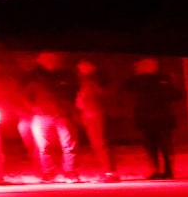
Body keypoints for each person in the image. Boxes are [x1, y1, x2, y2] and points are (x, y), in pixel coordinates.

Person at [20, 52, 80, 183]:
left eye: (52, 60)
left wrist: (67, 106)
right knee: (44, 146)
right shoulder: (34, 78)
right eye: (46, 60)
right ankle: (49, 172)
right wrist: (33, 108)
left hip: (62, 114)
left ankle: (70, 172)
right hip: (42, 115)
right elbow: (25, 96)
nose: (50, 62)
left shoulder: (64, 76)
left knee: (68, 145)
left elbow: (73, 91)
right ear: (41, 62)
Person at [128, 58, 182, 180]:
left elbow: (176, 95)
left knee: (158, 146)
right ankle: (164, 170)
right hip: (159, 118)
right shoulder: (162, 79)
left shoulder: (146, 81)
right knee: (159, 146)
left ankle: (161, 170)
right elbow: (176, 95)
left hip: (156, 118)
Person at [73, 58, 120, 183]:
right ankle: (109, 172)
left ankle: (110, 173)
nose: (80, 70)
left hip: (94, 115)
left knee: (100, 144)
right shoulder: (93, 82)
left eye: (82, 67)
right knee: (99, 144)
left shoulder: (91, 82)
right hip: (92, 115)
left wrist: (80, 102)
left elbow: (85, 100)